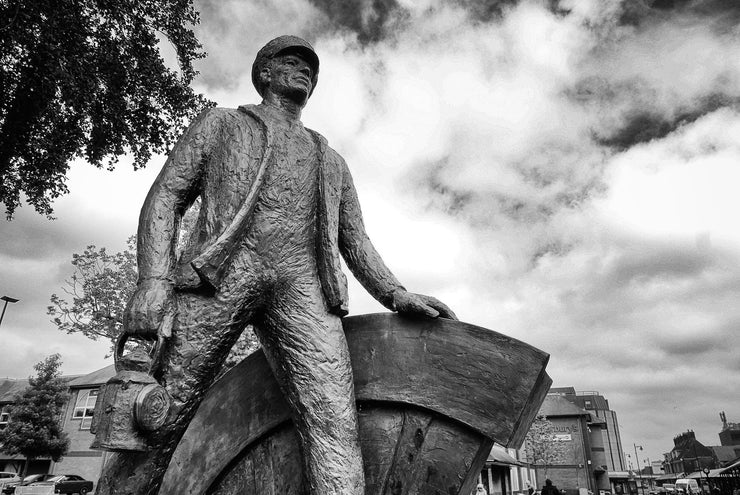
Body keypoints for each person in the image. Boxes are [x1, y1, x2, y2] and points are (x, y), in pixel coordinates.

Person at [95, 35, 456, 495]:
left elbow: (355, 239)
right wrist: (153, 280)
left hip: (303, 286)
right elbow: (165, 198)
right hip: (219, 277)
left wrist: (394, 293)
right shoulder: (222, 125)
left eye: (312, 68)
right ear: (264, 73)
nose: (306, 70)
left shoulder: (331, 160)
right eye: (292, 61)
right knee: (159, 411)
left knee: (334, 420)